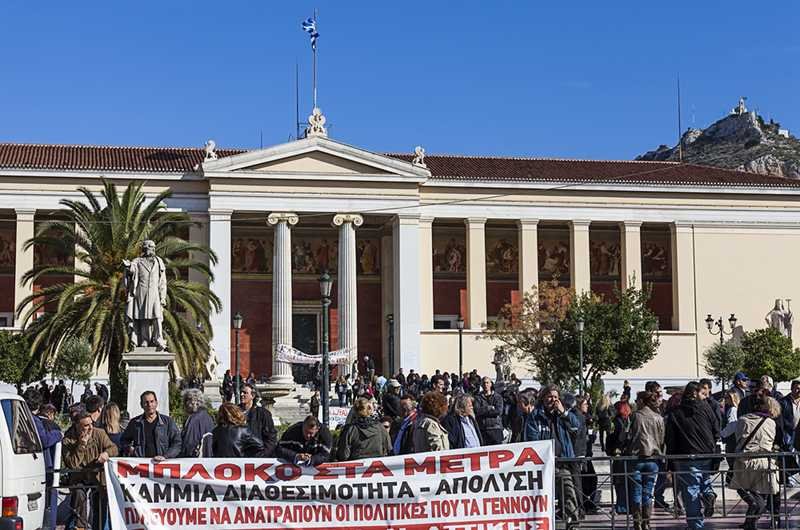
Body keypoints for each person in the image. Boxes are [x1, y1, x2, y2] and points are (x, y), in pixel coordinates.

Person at [665, 381, 720, 530]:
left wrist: (670, 461)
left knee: (691, 491)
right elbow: (716, 429)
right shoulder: (706, 408)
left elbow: (670, 439)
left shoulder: (675, 413)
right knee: (704, 480)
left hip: (686, 455)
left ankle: (696, 525)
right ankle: (708, 494)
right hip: (706, 453)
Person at [525, 385, 580, 528]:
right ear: (543, 398)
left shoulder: (563, 414)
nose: (553, 400)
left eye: (556, 397)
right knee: (543, 497)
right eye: (550, 396)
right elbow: (531, 440)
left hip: (562, 462)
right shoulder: (535, 416)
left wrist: (563, 412)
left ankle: (573, 523)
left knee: (569, 493)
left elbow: (577, 426)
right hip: (543, 465)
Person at [729, 394, 780, 530]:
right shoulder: (771, 422)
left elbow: (738, 439)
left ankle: (753, 509)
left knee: (742, 488)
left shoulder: (743, 420)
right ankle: (750, 521)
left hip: (744, 461)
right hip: (764, 462)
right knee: (759, 492)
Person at [62, 410, 118, 530]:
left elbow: (114, 448)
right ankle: (80, 526)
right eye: (86, 425)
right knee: (79, 495)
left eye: (91, 423)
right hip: (79, 477)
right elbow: (72, 464)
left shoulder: (99, 433)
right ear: (77, 426)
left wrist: (106, 453)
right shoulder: (68, 440)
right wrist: (81, 446)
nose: (90, 427)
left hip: (97, 476)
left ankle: (99, 527)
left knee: (100, 503)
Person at [628, 390, 665, 530]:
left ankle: (637, 521)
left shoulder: (635, 416)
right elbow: (662, 439)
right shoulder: (658, 418)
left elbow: (628, 435)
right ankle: (646, 522)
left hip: (636, 457)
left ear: (641, 401)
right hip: (653, 458)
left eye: (637, 400)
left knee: (636, 490)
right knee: (648, 491)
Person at [26, 391, 62, 530]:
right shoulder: (35, 421)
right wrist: (59, 434)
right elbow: (45, 440)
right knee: (47, 499)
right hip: (42, 466)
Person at [121, 391, 181, 459]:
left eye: (152, 401)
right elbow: (123, 440)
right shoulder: (135, 423)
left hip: (162, 463)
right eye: (146, 402)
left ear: (156, 403)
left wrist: (166, 456)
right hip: (141, 463)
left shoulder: (167, 422)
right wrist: (130, 449)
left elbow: (177, 443)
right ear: (141, 405)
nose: (149, 405)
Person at [239, 383, 278, 456]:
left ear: (253, 396)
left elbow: (271, 438)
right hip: (237, 456)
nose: (241, 394)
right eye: (241, 392)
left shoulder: (263, 413)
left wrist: (263, 455)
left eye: (245, 393)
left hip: (257, 456)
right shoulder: (234, 412)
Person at [180, 388, 215, 457]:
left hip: (195, 459)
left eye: (186, 402)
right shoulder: (208, 417)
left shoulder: (194, 419)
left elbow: (189, 444)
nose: (185, 406)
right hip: (207, 457)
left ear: (193, 402)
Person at [474, 376, 504, 445]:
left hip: (496, 428)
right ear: (481, 385)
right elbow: (477, 411)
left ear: (491, 384)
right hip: (483, 429)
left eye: (487, 383)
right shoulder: (478, 397)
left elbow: (498, 411)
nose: (485, 385)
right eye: (484, 383)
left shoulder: (498, 397)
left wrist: (483, 410)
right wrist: (489, 408)